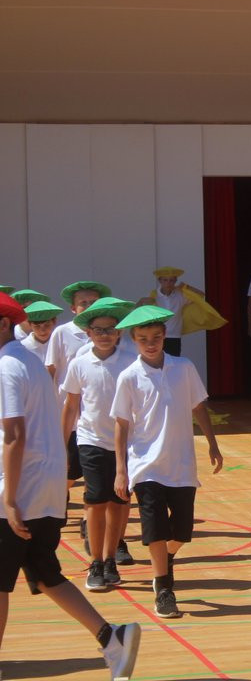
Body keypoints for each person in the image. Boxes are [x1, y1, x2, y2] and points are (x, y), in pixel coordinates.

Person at [0, 292, 141, 678]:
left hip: (19, 490)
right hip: (42, 487)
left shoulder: (7, 366)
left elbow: (14, 433)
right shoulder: (25, 360)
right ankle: (111, 636)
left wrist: (9, 500)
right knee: (45, 574)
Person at [111, 306, 224, 619]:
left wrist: (213, 443)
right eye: (144, 338)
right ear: (133, 340)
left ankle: (166, 557)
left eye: (157, 337)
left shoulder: (183, 367)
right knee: (155, 530)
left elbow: (199, 406)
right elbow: (121, 424)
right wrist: (121, 469)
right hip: (146, 467)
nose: (151, 343)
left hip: (182, 465)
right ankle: (164, 588)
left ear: (164, 337)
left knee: (181, 531)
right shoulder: (129, 376)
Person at [61, 298, 138, 590]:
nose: (104, 335)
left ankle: (110, 557)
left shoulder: (131, 362)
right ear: (88, 333)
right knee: (94, 500)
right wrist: (61, 442)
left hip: (126, 443)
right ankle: (95, 561)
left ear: (119, 332)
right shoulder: (79, 364)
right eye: (98, 330)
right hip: (90, 441)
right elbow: (70, 406)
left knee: (120, 500)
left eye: (110, 329)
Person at [47, 281, 110, 490]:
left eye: (94, 302)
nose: (89, 306)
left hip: (98, 414)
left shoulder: (108, 333)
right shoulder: (62, 333)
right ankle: (59, 504)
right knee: (70, 468)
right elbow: (52, 370)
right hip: (70, 413)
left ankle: (87, 518)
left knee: (95, 470)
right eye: (83, 303)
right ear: (73, 308)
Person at [146, 267, 205, 357]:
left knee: (174, 364)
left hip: (174, 336)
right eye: (165, 280)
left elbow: (201, 295)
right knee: (157, 363)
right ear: (160, 281)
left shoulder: (180, 295)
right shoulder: (154, 295)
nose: (168, 283)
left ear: (175, 281)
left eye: (171, 280)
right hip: (157, 336)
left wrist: (187, 287)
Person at [20, 300, 64, 365]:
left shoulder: (61, 345)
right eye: (37, 326)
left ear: (54, 322)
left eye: (47, 325)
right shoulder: (22, 348)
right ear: (30, 325)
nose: (42, 330)